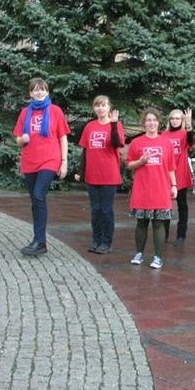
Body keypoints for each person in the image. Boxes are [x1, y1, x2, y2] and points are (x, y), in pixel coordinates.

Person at [13, 78, 71, 257]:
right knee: (35, 201)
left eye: (43, 89)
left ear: (47, 92)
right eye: (36, 90)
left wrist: (64, 162)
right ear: (30, 93)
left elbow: (62, 137)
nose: (39, 92)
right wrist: (22, 139)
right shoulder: (25, 113)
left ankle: (39, 241)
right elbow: (17, 138)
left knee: (39, 196)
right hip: (30, 161)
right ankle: (39, 241)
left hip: (49, 160)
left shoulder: (55, 111)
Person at [74, 95, 125, 254]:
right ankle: (96, 240)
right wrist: (81, 172)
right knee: (95, 210)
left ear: (109, 107)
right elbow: (85, 151)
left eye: (103, 105)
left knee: (106, 210)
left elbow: (117, 144)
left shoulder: (116, 125)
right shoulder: (90, 126)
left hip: (109, 175)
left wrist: (115, 124)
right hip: (92, 175)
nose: (100, 109)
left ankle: (106, 242)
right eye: (97, 106)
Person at [126, 108, 177, 269]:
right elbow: (129, 165)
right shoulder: (136, 143)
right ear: (144, 123)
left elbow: (171, 168)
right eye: (148, 120)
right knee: (141, 222)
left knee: (158, 224)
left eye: (154, 120)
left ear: (159, 122)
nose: (151, 123)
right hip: (142, 189)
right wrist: (140, 161)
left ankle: (158, 257)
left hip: (161, 188)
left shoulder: (166, 143)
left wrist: (174, 185)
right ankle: (139, 253)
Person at [161, 108, 194, 246]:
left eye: (177, 118)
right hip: (166, 174)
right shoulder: (164, 134)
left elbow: (191, 140)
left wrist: (189, 124)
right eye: (172, 118)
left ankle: (181, 235)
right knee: (166, 206)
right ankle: (164, 234)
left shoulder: (184, 134)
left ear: (181, 120)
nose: (175, 121)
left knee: (182, 205)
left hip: (180, 173)